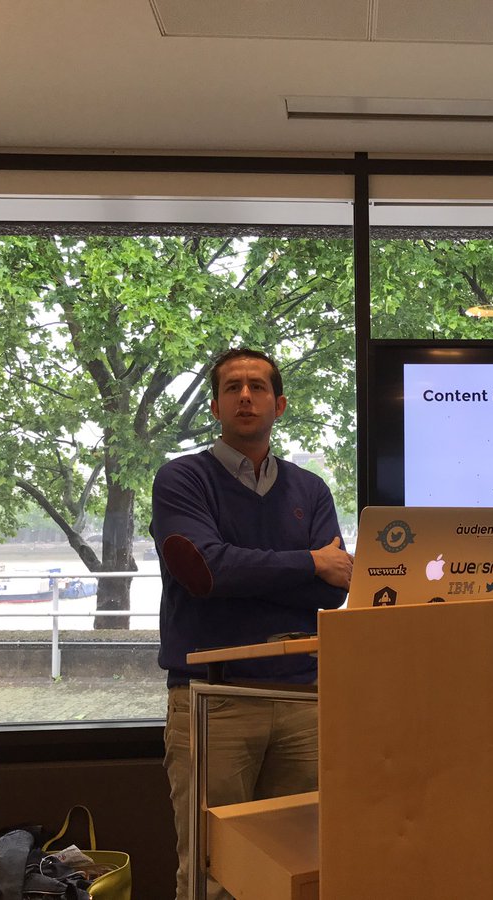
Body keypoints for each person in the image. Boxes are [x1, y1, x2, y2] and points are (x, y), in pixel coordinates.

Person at [150, 347, 352, 900]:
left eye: (258, 387)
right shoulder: (182, 479)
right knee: (212, 872)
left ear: (279, 405)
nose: (245, 396)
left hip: (302, 700)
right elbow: (206, 571)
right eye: (232, 387)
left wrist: (252, 572)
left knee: (301, 865)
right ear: (215, 407)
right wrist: (307, 563)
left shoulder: (310, 489)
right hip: (214, 701)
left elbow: (333, 590)